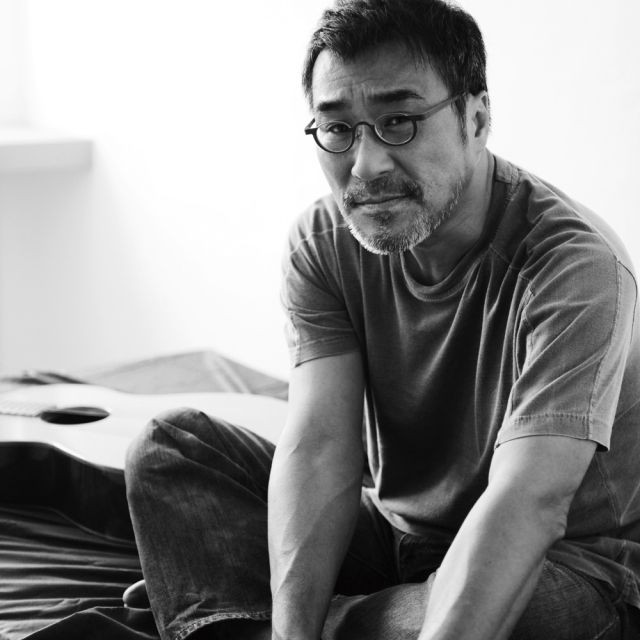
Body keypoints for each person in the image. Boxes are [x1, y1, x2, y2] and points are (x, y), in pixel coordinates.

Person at [124, 0, 640, 638]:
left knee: (522, 615)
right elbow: (320, 445)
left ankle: (239, 614)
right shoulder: (323, 242)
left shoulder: (575, 267)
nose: (365, 166)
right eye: (338, 129)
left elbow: (531, 503)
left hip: (561, 565)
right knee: (172, 448)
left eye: (399, 121)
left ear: (477, 119)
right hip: (399, 536)